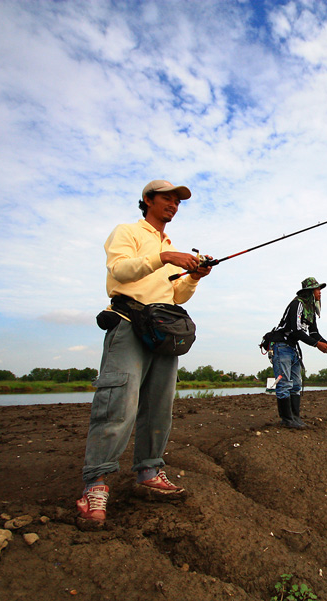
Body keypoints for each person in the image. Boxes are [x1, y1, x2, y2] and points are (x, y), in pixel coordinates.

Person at [76, 179, 214, 528]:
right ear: (147, 200)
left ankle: (149, 472)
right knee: (117, 404)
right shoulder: (128, 232)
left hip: (163, 332)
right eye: (167, 198)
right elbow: (120, 270)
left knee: (158, 406)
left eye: (177, 201)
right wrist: (164, 256)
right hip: (127, 323)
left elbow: (175, 296)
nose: (173, 204)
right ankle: (96, 484)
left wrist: (195, 276)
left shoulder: (170, 248)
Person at [266, 277, 327, 428]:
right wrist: (317, 345)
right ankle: (287, 419)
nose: (320, 293)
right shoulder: (297, 304)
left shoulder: (310, 310)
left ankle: (295, 418)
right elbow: (296, 330)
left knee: (296, 384)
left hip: (292, 348)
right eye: (318, 289)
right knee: (284, 383)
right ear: (310, 292)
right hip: (281, 346)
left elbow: (314, 333)